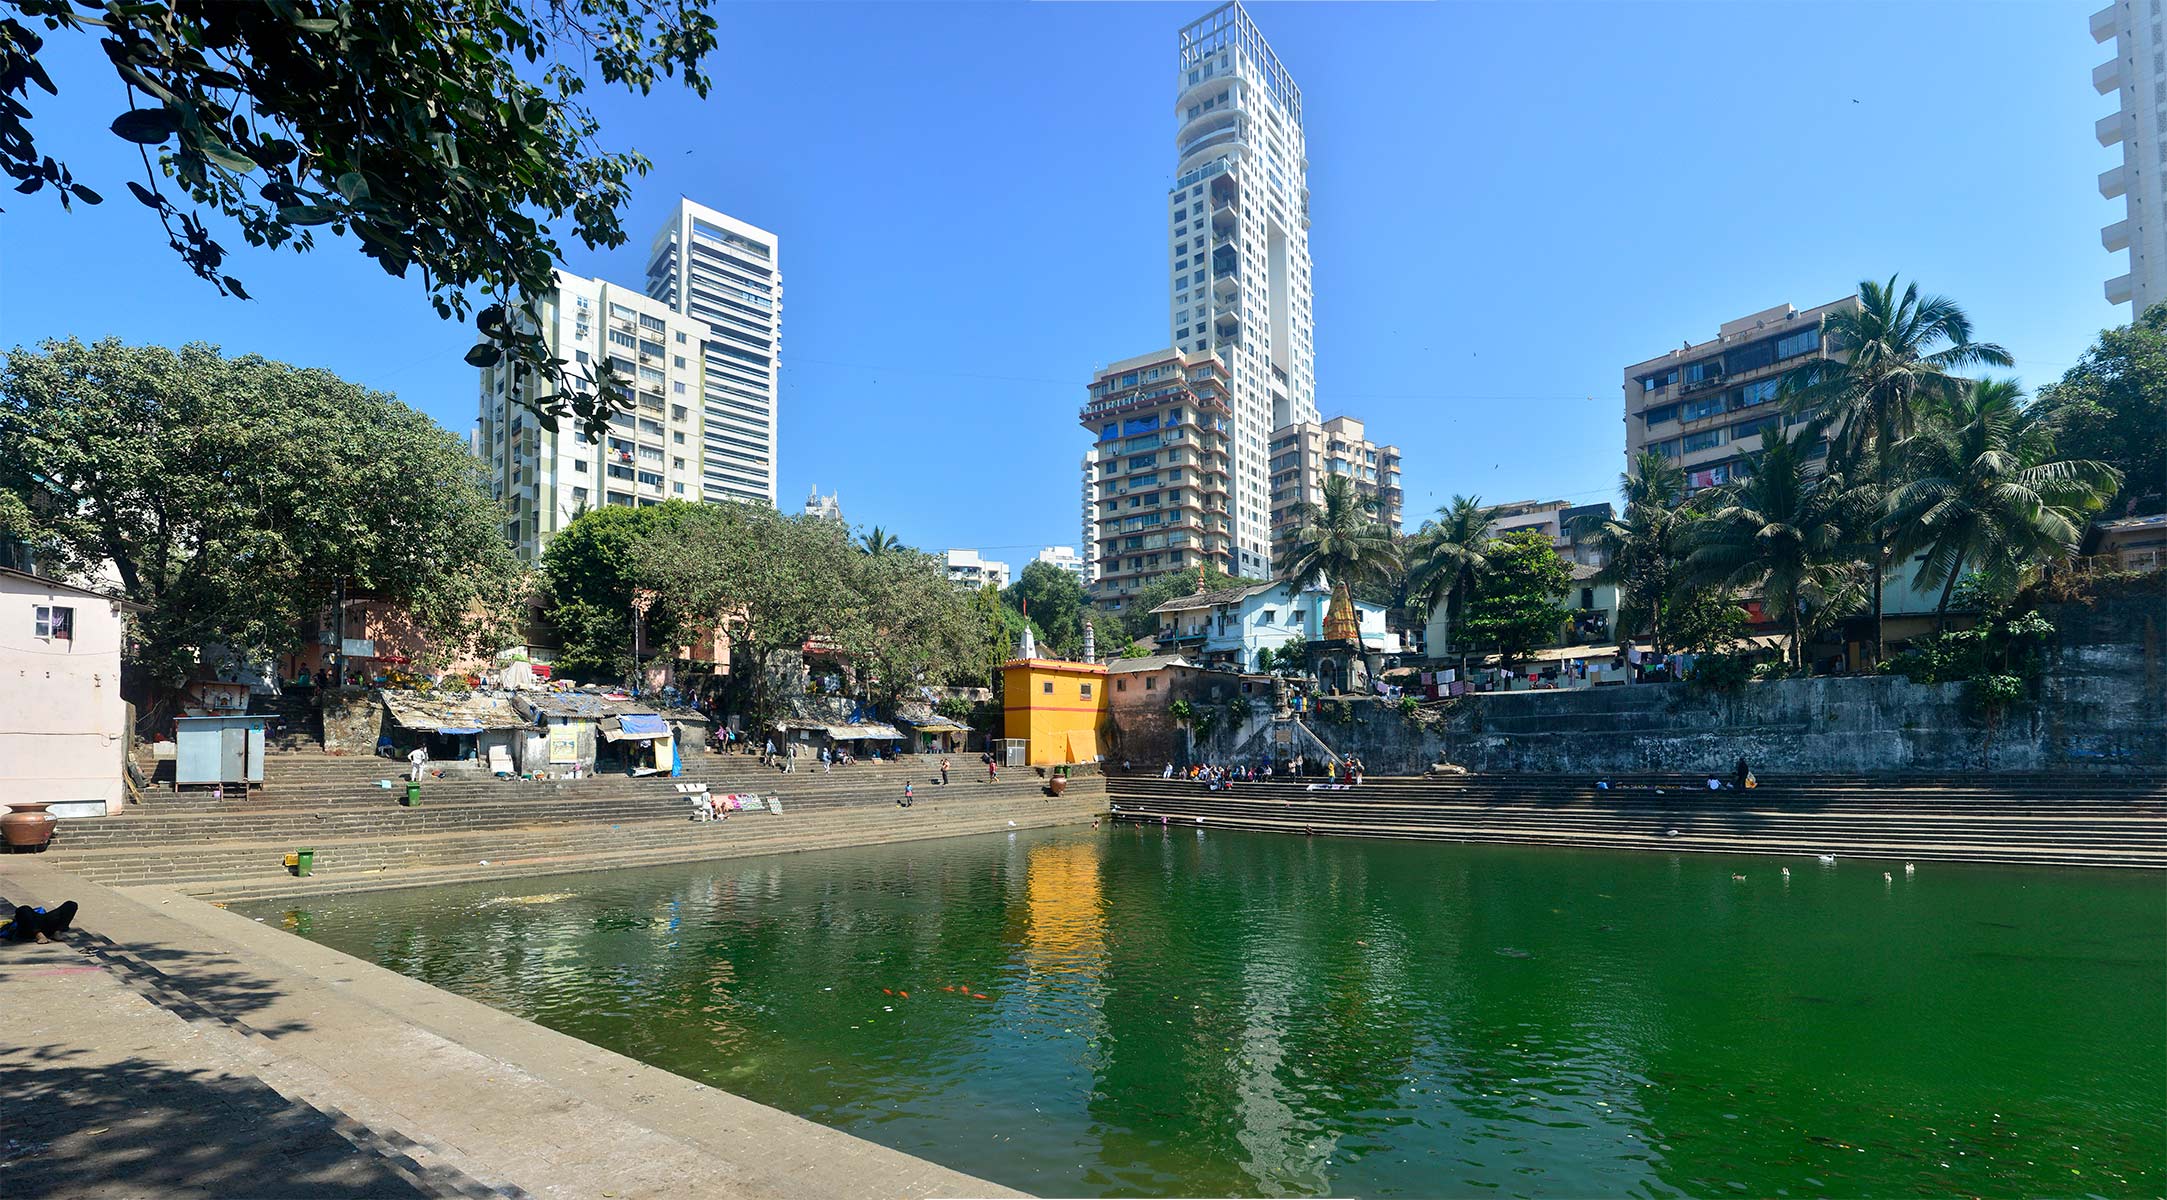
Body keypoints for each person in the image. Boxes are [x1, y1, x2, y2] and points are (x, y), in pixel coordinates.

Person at [4, 901, 78, 943]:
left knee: (71, 904)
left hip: (45, 925)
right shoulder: (25, 915)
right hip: (29, 928)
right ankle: (39, 935)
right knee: (23, 909)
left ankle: (57, 932)